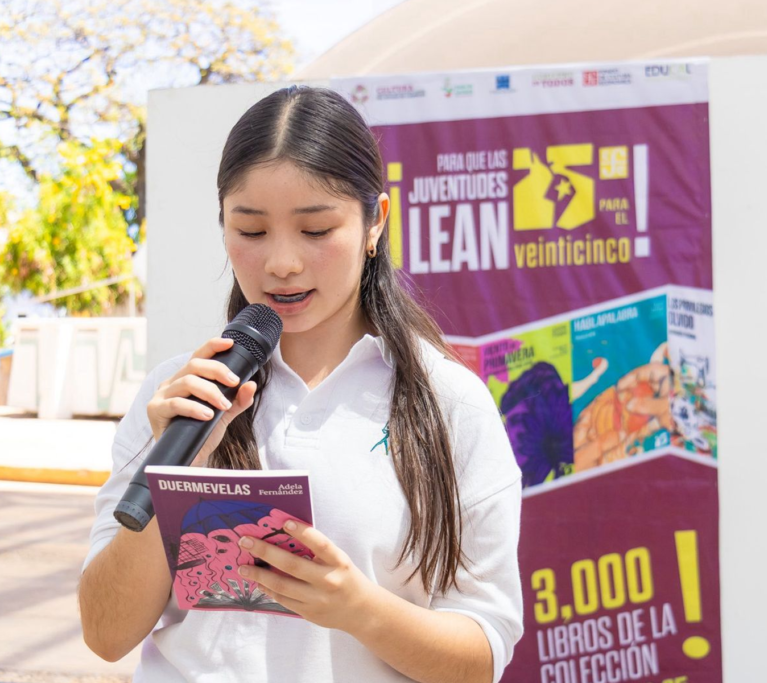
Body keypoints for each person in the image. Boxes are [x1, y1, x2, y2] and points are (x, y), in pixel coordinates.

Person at [78, 86, 524, 683]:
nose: (281, 263)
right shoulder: (179, 394)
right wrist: (172, 472)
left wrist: (360, 610)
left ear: (375, 222)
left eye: (316, 230)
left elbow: (481, 656)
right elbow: (105, 635)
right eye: (251, 231)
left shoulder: (449, 403)